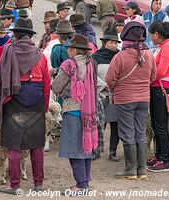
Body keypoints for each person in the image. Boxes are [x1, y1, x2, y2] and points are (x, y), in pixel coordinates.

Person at [0, 18, 50, 195]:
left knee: (13, 145)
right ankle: (38, 184)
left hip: (13, 99)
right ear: (30, 36)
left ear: (16, 35)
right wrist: (44, 108)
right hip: (36, 101)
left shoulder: (9, 52)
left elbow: (0, 78)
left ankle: (14, 185)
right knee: (36, 144)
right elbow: (46, 83)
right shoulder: (41, 55)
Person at [105, 21, 156, 179]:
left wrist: (117, 87)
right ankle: (142, 169)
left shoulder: (120, 56)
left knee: (127, 133)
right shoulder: (148, 54)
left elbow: (109, 79)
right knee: (140, 133)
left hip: (125, 99)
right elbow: (153, 76)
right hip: (143, 99)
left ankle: (130, 169)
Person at [52, 34, 98, 192]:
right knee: (86, 147)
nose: (68, 51)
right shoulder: (91, 62)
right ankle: (85, 181)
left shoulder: (69, 64)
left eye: (69, 48)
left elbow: (57, 87)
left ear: (73, 50)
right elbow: (99, 85)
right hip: (89, 111)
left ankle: (81, 185)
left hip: (73, 110)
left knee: (74, 149)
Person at [147, 21, 169, 173]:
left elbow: (160, 71)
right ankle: (159, 155)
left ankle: (165, 160)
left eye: (151, 34)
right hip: (158, 89)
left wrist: (146, 77)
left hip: (162, 90)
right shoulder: (164, 45)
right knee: (156, 124)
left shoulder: (168, 46)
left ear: (157, 34)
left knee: (160, 126)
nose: (151, 38)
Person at [92, 27, 121, 162]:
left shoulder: (119, 56)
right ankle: (96, 149)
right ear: (104, 43)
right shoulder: (96, 57)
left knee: (115, 125)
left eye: (115, 43)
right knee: (99, 123)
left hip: (115, 95)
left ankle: (113, 151)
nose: (114, 45)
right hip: (100, 95)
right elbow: (92, 74)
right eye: (111, 42)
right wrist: (103, 86)